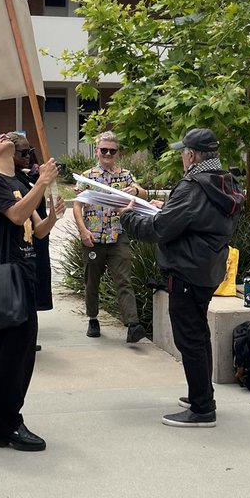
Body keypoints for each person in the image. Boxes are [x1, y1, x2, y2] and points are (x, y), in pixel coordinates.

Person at [120, 127, 243, 428]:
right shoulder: (223, 182)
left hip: (187, 271)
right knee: (199, 335)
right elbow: (194, 219)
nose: (181, 158)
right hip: (208, 268)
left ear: (190, 155)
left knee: (190, 339)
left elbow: (159, 230)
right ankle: (202, 395)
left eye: (182, 153)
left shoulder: (192, 187)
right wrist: (166, 209)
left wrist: (127, 217)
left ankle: (202, 410)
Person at [0, 132, 64, 451]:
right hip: (7, 277)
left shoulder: (20, 181)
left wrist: (52, 216)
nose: (2, 135)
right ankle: (7, 424)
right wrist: (43, 181)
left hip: (22, 274)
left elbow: (35, 229)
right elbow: (16, 214)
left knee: (0, 352)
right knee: (16, 355)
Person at [73, 130, 148, 343]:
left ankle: (133, 325)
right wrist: (83, 231)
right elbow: (78, 205)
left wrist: (135, 190)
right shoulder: (88, 176)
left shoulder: (125, 175)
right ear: (96, 151)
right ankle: (93, 318)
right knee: (92, 281)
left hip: (118, 235)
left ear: (118, 153)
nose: (107, 154)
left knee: (124, 280)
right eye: (103, 150)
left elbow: (144, 194)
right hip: (93, 236)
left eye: (112, 151)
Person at [8, 134, 55, 330]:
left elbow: (39, 224)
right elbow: (22, 211)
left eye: (31, 152)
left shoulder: (26, 177)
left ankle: (29, 323)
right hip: (19, 243)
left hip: (36, 237)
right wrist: (41, 182)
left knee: (37, 278)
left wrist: (53, 215)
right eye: (24, 153)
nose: (28, 156)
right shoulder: (5, 180)